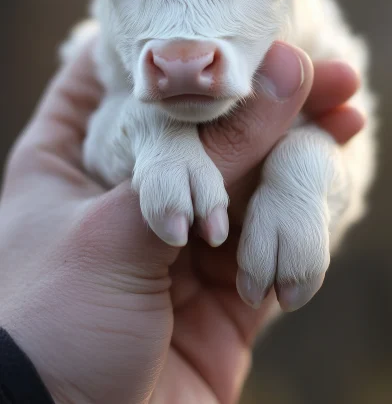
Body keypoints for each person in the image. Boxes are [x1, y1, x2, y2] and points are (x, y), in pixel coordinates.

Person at [0, 41, 364, 404]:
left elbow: (342, 164)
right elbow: (103, 133)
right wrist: (39, 376)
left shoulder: (313, 40)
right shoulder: (110, 60)